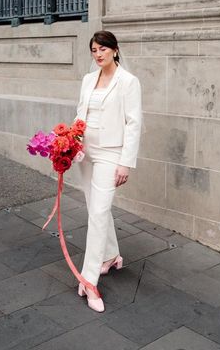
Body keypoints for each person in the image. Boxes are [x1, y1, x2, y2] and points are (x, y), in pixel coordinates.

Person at [74, 30, 142, 312]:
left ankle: (89, 281)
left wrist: (126, 162)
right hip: (86, 153)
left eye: (103, 48)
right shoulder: (88, 80)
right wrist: (71, 143)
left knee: (99, 213)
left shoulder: (128, 82)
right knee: (95, 209)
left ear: (115, 50)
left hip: (111, 155)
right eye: (94, 50)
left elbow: (134, 123)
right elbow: (80, 115)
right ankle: (112, 255)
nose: (98, 54)